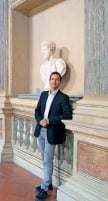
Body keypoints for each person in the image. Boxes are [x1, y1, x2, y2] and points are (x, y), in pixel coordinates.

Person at [34, 71, 72, 200]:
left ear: (59, 82)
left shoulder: (63, 97)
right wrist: (40, 120)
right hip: (41, 130)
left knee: (48, 159)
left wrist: (49, 120)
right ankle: (48, 183)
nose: (54, 81)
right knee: (44, 159)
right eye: (52, 79)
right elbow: (37, 111)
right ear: (49, 81)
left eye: (56, 79)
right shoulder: (44, 95)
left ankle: (44, 188)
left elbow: (67, 114)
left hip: (52, 131)